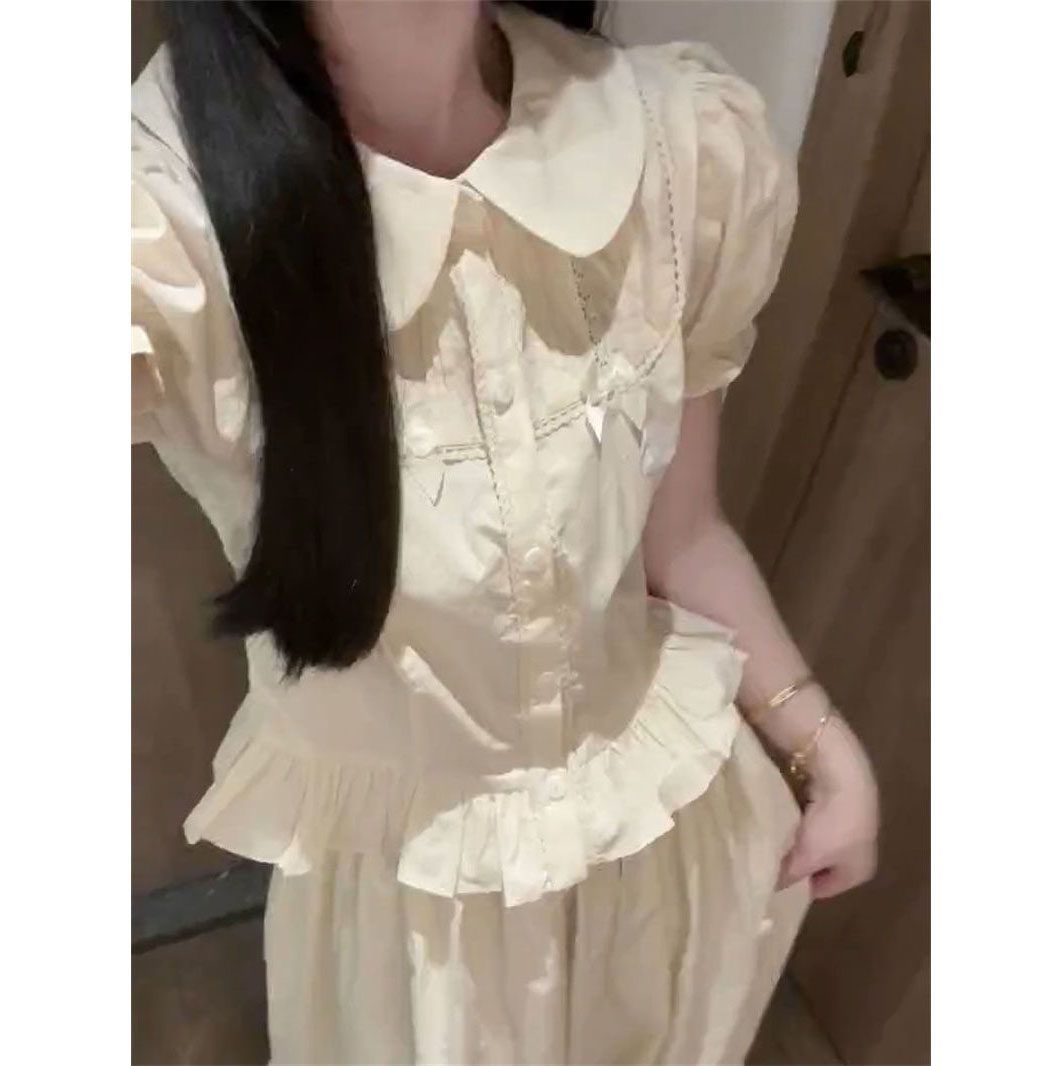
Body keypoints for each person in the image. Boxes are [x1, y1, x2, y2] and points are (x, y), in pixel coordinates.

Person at [131, 2, 879, 1062]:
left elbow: (684, 534)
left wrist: (816, 736)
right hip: (416, 947)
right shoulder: (158, 217)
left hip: (668, 857)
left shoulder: (676, 147)